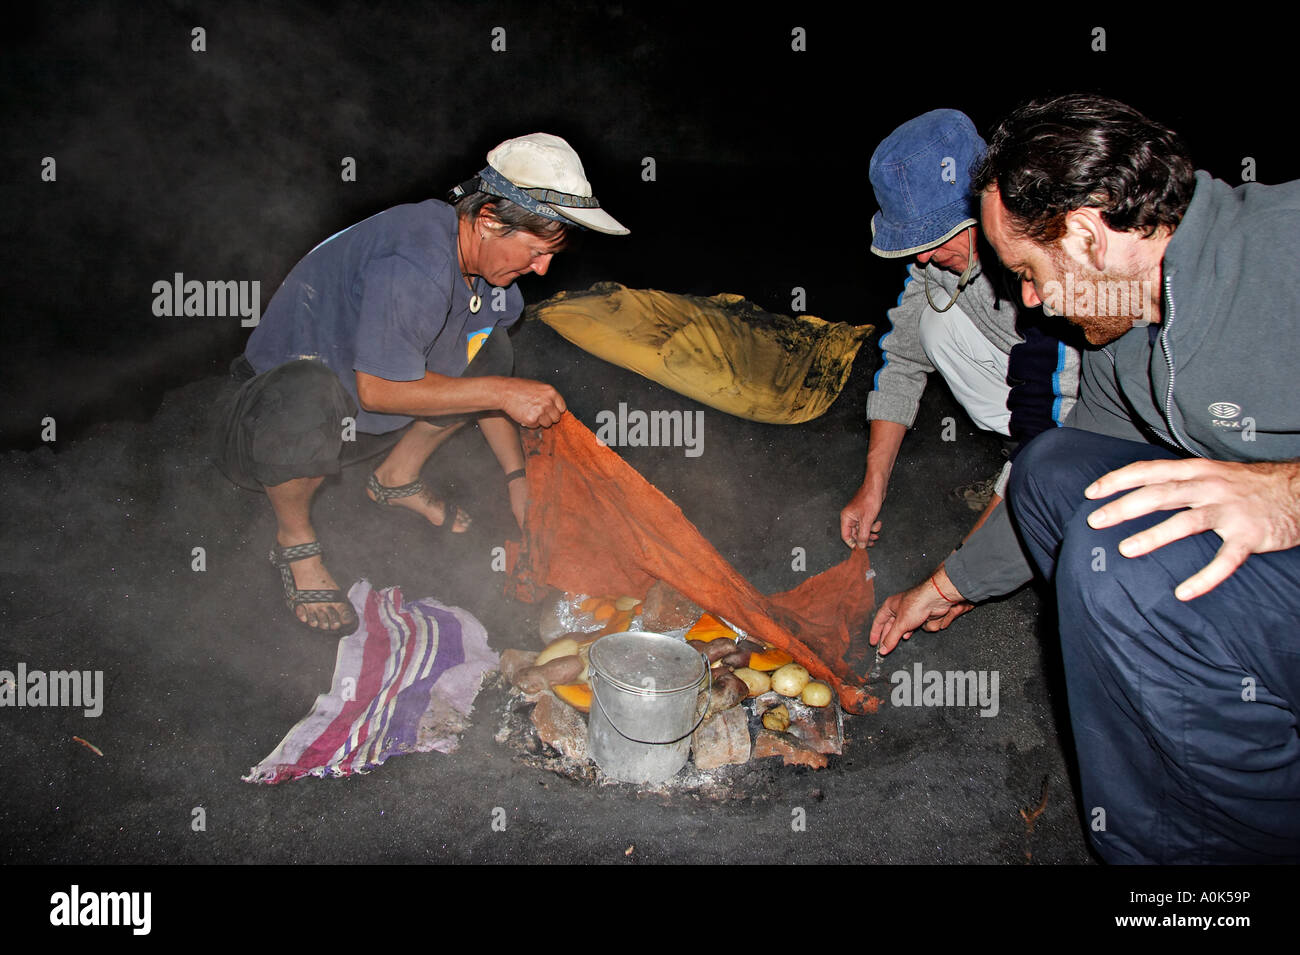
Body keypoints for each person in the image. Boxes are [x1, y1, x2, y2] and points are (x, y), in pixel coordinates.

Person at [926, 93, 1300, 862]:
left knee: (1122, 564)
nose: (1027, 299)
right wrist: (946, 586)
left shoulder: (1282, 251)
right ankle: (1178, 750)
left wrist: (1287, 490)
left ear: (1089, 235)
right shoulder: (1128, 339)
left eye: (1027, 272)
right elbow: (1071, 464)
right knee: (1051, 470)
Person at [216, 133, 629, 635]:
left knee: (493, 353)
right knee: (304, 392)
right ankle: (295, 540)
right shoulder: (415, 261)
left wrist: (518, 482)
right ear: (489, 221)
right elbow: (380, 390)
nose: (542, 269)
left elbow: (486, 384)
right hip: (278, 420)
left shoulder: (489, 279)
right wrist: (503, 393)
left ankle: (394, 477)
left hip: (366, 411)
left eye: (550, 255)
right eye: (538, 251)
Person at [841, 109, 1079, 636]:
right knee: (927, 321)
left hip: (1082, 402)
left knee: (1055, 469)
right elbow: (902, 359)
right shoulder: (934, 260)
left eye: (940, 234)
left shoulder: (1049, 273)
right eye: (913, 241)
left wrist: (959, 581)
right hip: (1024, 383)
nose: (923, 256)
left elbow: (1046, 433)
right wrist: (872, 485)